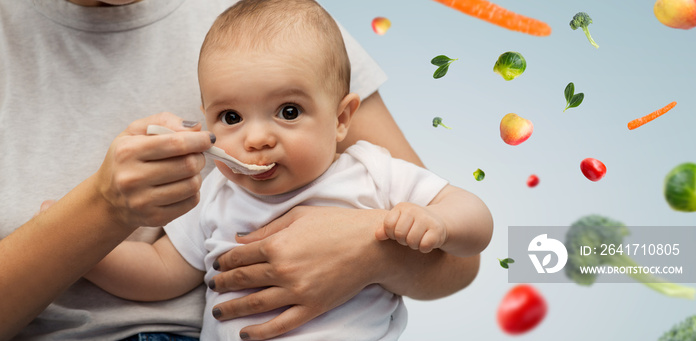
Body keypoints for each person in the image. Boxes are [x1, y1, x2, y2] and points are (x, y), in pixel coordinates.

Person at [0, 0, 488, 340]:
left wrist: (429, 226)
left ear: (342, 119)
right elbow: (164, 271)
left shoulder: (371, 171)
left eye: (289, 112)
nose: (256, 137)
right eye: (231, 118)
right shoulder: (216, 194)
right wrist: (84, 236)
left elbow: (468, 229)